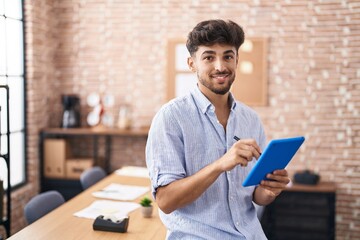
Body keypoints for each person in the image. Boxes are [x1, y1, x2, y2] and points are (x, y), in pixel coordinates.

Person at [145, 19, 290, 239]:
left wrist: (269, 190)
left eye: (228, 56)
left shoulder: (251, 119)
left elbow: (254, 196)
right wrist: (220, 164)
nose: (220, 66)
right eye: (209, 57)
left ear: (237, 60)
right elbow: (165, 201)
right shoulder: (170, 118)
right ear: (192, 63)